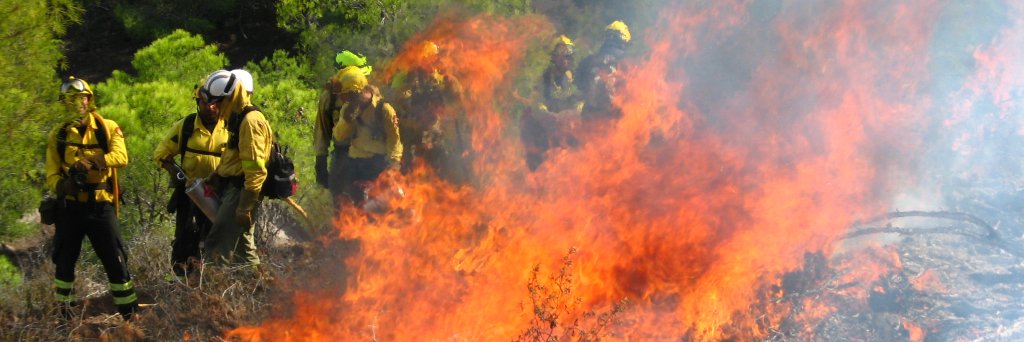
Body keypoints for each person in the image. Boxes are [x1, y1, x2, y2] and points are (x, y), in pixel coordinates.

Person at [45, 76, 138, 318]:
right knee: (64, 263)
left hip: (100, 207)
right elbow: (51, 175)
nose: (77, 104)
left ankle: (129, 315)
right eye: (71, 100)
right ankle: (64, 317)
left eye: (81, 98)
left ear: (89, 100)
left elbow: (121, 157)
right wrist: (64, 186)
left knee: (116, 261)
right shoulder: (59, 134)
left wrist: (91, 162)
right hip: (70, 209)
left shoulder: (107, 127)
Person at [152, 79, 228, 277]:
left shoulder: (231, 127)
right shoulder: (186, 126)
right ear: (197, 102)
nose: (210, 107)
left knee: (217, 239)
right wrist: (172, 169)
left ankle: (215, 281)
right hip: (191, 196)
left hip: (220, 195)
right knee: (185, 239)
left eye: (215, 102)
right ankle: (181, 281)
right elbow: (160, 153)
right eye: (205, 102)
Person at [201, 69, 273, 267]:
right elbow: (234, 155)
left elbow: (256, 168)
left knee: (217, 244)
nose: (215, 107)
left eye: (218, 102)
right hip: (235, 188)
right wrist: (217, 175)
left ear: (230, 96)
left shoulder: (251, 122)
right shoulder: (238, 118)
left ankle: (210, 291)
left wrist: (245, 205)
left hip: (242, 191)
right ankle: (260, 289)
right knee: (243, 246)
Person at [391, 41, 468, 182]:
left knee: (440, 167)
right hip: (410, 132)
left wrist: (450, 84)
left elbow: (455, 100)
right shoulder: (404, 77)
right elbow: (397, 103)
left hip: (435, 132)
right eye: (431, 58)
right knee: (410, 171)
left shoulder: (439, 77)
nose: (434, 62)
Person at [332, 67, 402, 205]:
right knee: (348, 205)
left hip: (377, 166)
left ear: (357, 92)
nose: (343, 99)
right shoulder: (348, 108)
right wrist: (347, 120)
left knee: (376, 206)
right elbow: (339, 136)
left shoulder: (384, 109)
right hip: (354, 163)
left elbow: (394, 140)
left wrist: (393, 167)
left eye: (346, 95)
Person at [315, 50, 372, 205]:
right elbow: (322, 129)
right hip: (343, 152)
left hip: (368, 153)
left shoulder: (370, 94)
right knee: (340, 197)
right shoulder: (329, 97)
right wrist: (320, 161)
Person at [521, 35, 584, 170]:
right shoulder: (545, 78)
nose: (565, 60)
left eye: (568, 56)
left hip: (569, 128)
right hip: (547, 127)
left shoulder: (576, 77)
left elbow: (582, 99)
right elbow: (537, 102)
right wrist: (548, 115)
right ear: (554, 57)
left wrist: (575, 112)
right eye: (562, 56)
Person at [576, 20, 631, 121]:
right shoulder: (628, 62)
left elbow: (579, 84)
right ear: (623, 41)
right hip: (617, 119)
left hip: (589, 118)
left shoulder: (587, 61)